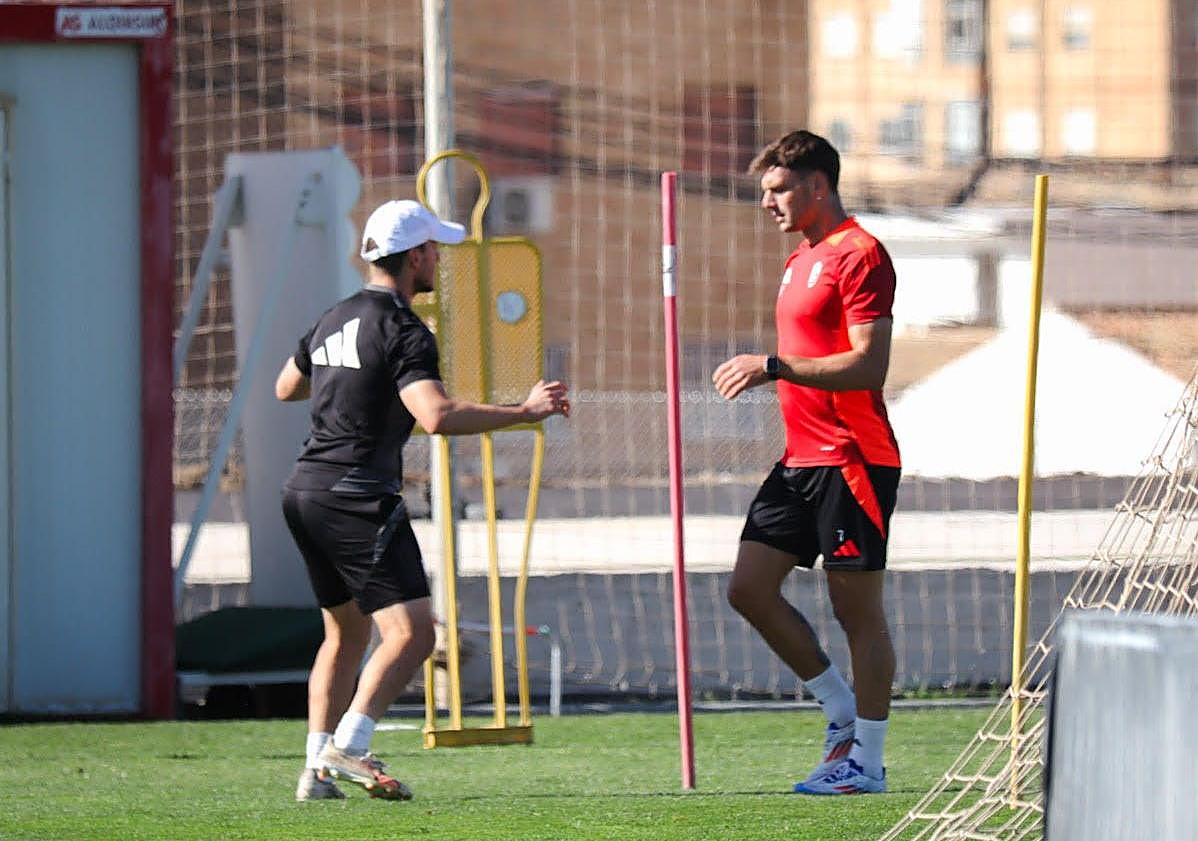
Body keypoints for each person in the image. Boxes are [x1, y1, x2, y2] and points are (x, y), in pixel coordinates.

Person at [277, 199, 570, 802]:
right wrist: (524, 411)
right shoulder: (405, 329)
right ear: (414, 257)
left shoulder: (334, 317)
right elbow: (434, 416)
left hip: (305, 491)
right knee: (414, 634)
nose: (438, 257)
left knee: (344, 636)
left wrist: (347, 378)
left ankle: (316, 772)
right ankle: (350, 746)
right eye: (434, 248)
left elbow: (288, 386)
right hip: (358, 494)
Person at [712, 130, 900, 795]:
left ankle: (867, 763)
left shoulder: (861, 254)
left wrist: (774, 365)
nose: (768, 203)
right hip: (799, 459)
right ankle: (840, 711)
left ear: (817, 184)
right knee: (748, 588)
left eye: (778, 189)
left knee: (858, 613)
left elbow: (869, 364)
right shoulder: (801, 258)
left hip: (853, 459)